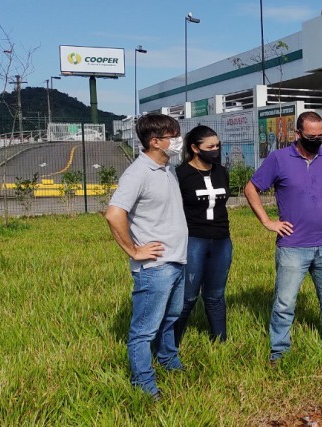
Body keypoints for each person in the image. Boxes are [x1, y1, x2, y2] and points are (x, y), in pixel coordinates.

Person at [244, 111, 322, 363]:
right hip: (292, 247)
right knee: (284, 304)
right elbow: (251, 188)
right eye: (311, 136)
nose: (316, 140)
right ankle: (279, 351)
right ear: (298, 134)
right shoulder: (279, 159)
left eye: (320, 136)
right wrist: (267, 221)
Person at [104, 113, 188, 399]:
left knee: (171, 317)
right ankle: (144, 383)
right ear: (155, 142)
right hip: (155, 267)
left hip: (176, 260)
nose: (178, 141)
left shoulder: (167, 169)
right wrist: (134, 250)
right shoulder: (138, 173)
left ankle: (167, 359)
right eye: (173, 136)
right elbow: (114, 214)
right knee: (144, 329)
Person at [174, 125, 232, 344]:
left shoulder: (221, 172)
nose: (215, 150)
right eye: (210, 146)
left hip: (221, 240)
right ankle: (171, 346)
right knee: (188, 296)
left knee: (216, 295)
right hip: (193, 239)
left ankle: (220, 342)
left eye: (217, 145)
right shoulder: (180, 174)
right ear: (195, 148)